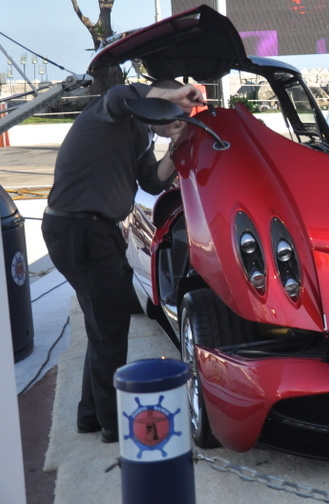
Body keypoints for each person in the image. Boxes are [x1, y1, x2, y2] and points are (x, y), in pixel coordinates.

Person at [41, 77, 206, 443]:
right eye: (176, 113)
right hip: (80, 228)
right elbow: (120, 95)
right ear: (157, 102)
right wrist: (176, 97)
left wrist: (175, 146)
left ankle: (90, 416)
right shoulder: (113, 113)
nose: (179, 119)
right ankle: (113, 426)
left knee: (104, 326)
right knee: (111, 327)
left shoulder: (140, 135)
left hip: (91, 230)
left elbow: (151, 181)